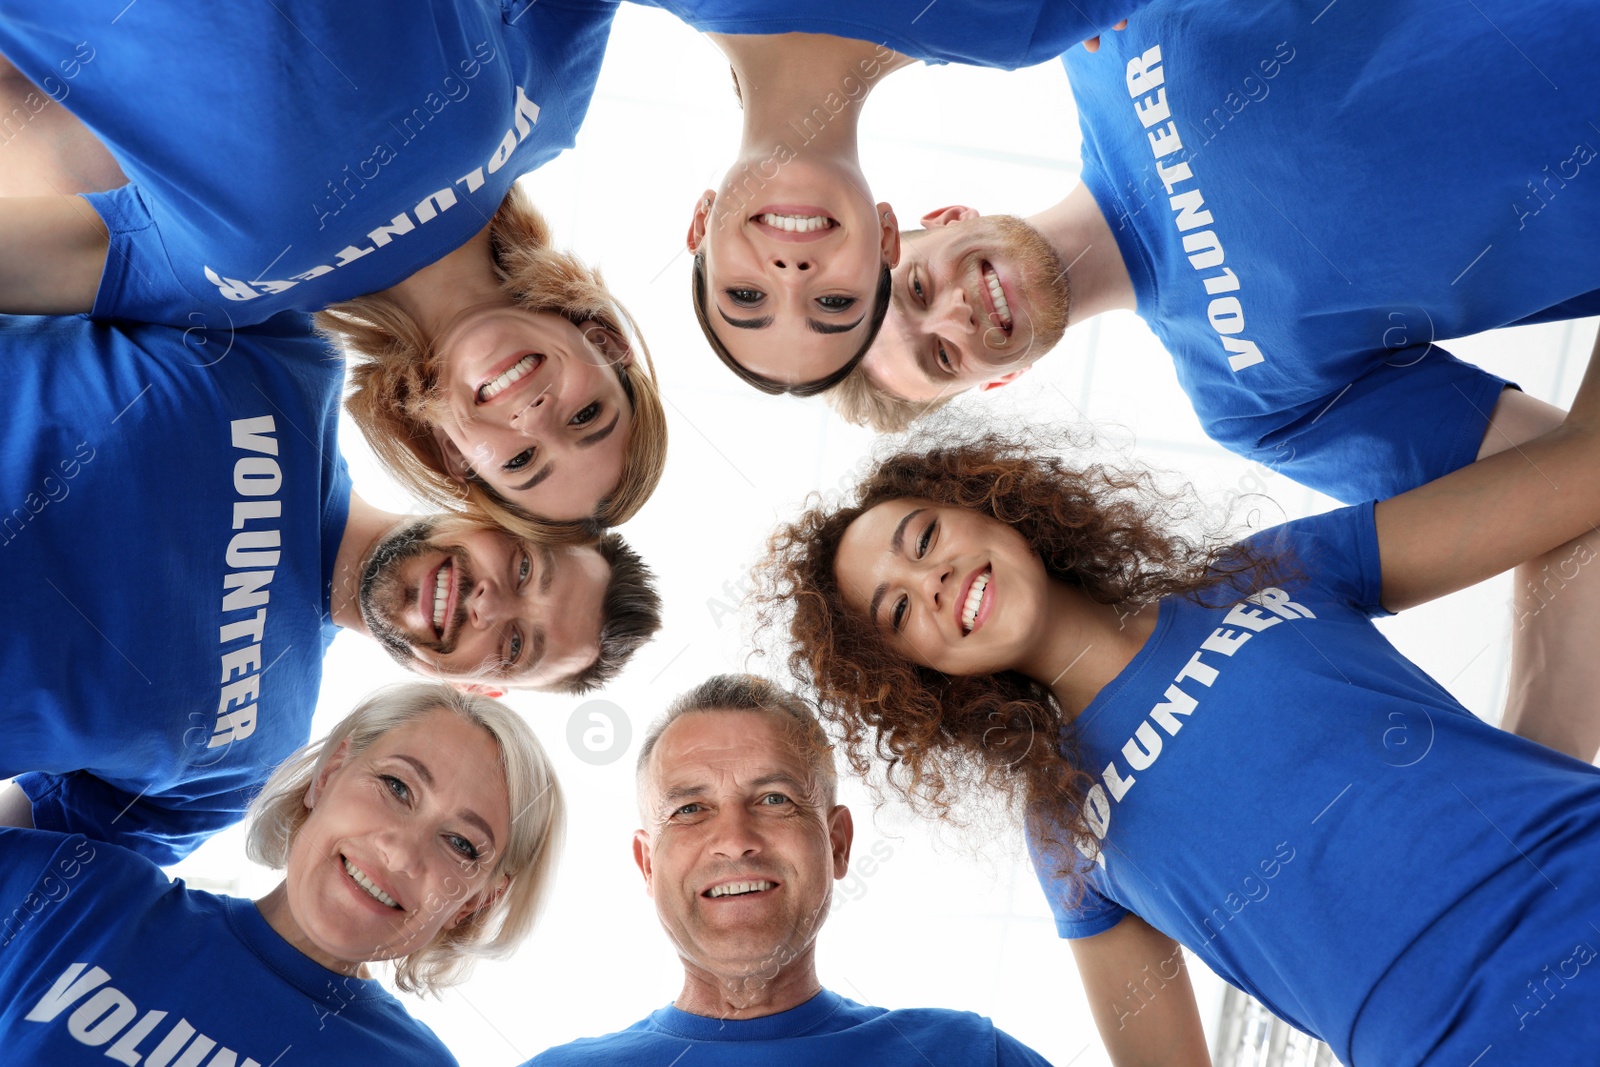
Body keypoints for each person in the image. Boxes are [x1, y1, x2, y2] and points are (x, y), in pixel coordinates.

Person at [758, 327, 1600, 1064]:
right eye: (898, 609)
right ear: (918, 675)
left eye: (924, 536)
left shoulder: (1263, 573)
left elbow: (1577, 474)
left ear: (990, 506)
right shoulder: (1064, 825)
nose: (930, 579)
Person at [837, 0, 1600, 763]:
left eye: (914, 289)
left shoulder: (1099, 30)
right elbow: (1560, 486)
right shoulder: (1252, 406)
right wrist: (1542, 774)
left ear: (939, 217)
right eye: (942, 359)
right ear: (999, 383)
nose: (956, 316)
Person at [0, 311, 660, 863]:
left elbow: (32, 870)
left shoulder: (247, 770)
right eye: (521, 568)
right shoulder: (287, 351)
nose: (489, 604)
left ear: (477, 686)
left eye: (516, 642)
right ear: (492, 506)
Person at [0, 7, 668, 535]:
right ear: (607, 346)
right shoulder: (544, 115)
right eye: (588, 415)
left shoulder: (232, 297)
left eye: (522, 462)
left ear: (456, 455)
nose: (537, 418)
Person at [0, 682, 565, 1066]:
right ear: (329, 776)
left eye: (461, 844)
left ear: (474, 903)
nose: (400, 854)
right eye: (397, 787)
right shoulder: (77, 892)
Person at [523, 673, 1055, 1066]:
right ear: (646, 866)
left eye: (775, 799)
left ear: (838, 843)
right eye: (689, 809)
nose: (734, 841)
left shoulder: (968, 1057)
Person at [633, 0, 1135, 393]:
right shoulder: (1025, 26)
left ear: (701, 224)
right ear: (887, 241)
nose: (792, 276)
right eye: (833, 302)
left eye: (746, 296)